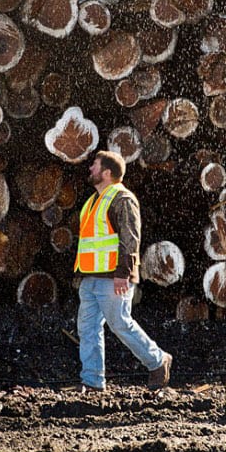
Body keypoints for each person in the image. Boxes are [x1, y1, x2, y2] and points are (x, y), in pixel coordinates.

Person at [74, 150, 172, 392]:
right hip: (91, 277)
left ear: (107, 172)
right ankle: (93, 382)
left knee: (121, 324)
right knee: (87, 329)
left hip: (113, 277)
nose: (90, 169)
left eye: (95, 166)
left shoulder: (122, 198)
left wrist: (124, 273)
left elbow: (130, 238)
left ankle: (158, 361)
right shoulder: (93, 200)